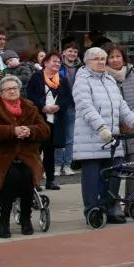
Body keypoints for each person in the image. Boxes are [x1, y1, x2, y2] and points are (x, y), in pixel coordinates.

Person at [73, 47, 134, 225]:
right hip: (91, 138)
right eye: (96, 59)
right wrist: (101, 128)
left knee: (114, 173)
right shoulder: (82, 80)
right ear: (87, 62)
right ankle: (92, 210)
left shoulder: (109, 80)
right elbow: (85, 107)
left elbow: (121, 107)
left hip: (113, 138)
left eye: (102, 59)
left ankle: (110, 207)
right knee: (92, 177)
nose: (100, 62)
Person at [0, 75, 51, 238]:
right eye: (8, 89)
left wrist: (30, 131)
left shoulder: (30, 107)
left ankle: (26, 218)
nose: (12, 91)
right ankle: (3, 220)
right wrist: (12, 131)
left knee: (26, 176)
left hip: (26, 154)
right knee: (10, 176)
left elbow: (45, 130)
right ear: (1, 92)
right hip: (0, 156)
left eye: (15, 88)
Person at [107, 47, 134, 199]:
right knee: (114, 170)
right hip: (114, 131)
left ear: (124, 58)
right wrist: (120, 122)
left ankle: (132, 202)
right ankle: (114, 202)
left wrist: (131, 120)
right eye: (111, 57)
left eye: (118, 56)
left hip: (133, 129)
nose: (115, 59)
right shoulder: (103, 77)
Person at [25, 52, 70, 192]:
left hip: (55, 120)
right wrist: (42, 107)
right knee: (35, 152)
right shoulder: (36, 77)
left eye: (59, 62)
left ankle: (50, 180)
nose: (57, 64)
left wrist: (59, 106)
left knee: (50, 152)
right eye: (54, 61)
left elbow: (68, 98)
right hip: (39, 119)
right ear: (45, 62)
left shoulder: (62, 80)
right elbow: (30, 95)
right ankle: (34, 181)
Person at [57, 40, 82, 177]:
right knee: (59, 137)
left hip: (75, 106)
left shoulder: (81, 68)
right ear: (64, 52)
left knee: (71, 138)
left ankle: (67, 165)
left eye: (75, 51)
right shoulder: (58, 66)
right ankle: (56, 165)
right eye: (70, 51)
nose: (72, 53)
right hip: (60, 105)